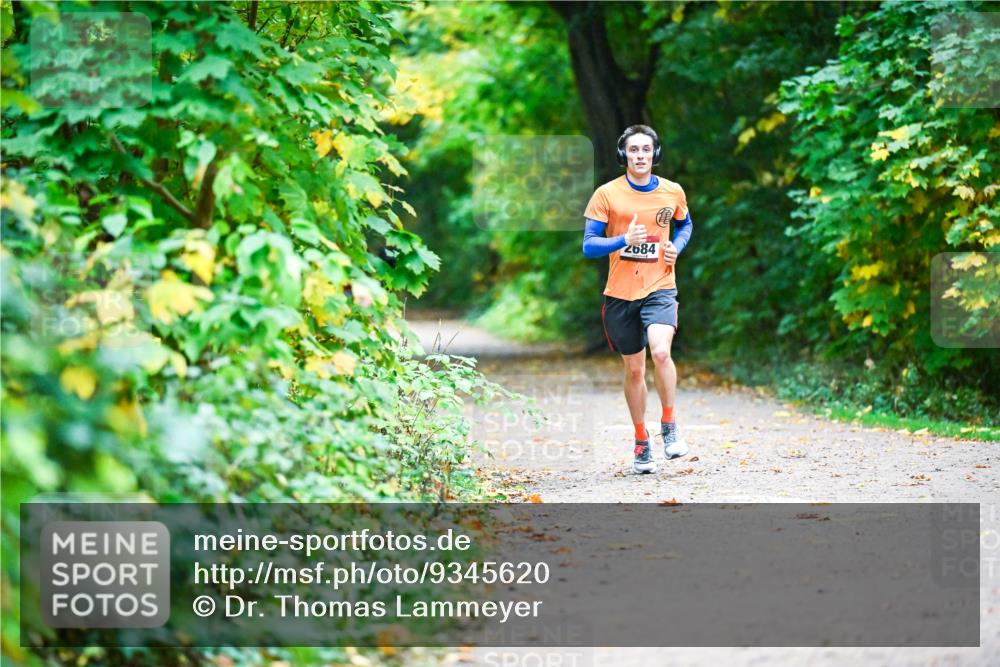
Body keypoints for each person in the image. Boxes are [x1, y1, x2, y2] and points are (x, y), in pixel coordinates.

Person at [581, 124, 693, 474]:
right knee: (634, 369)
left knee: (660, 351)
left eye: (646, 149)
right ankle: (641, 440)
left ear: (655, 154)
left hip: (660, 285)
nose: (640, 156)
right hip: (620, 294)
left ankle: (669, 425)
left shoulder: (672, 191)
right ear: (624, 155)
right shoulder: (606, 194)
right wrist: (622, 240)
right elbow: (588, 245)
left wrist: (678, 245)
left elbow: (685, 225)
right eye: (634, 150)